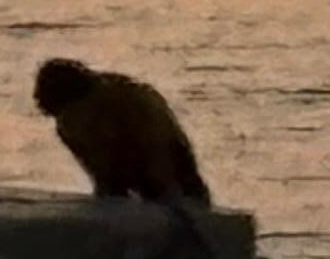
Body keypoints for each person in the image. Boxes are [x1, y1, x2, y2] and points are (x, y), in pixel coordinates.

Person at [31, 56, 209, 205]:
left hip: (163, 158)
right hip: (151, 159)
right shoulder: (72, 120)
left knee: (171, 186)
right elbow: (102, 175)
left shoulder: (121, 100)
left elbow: (160, 150)